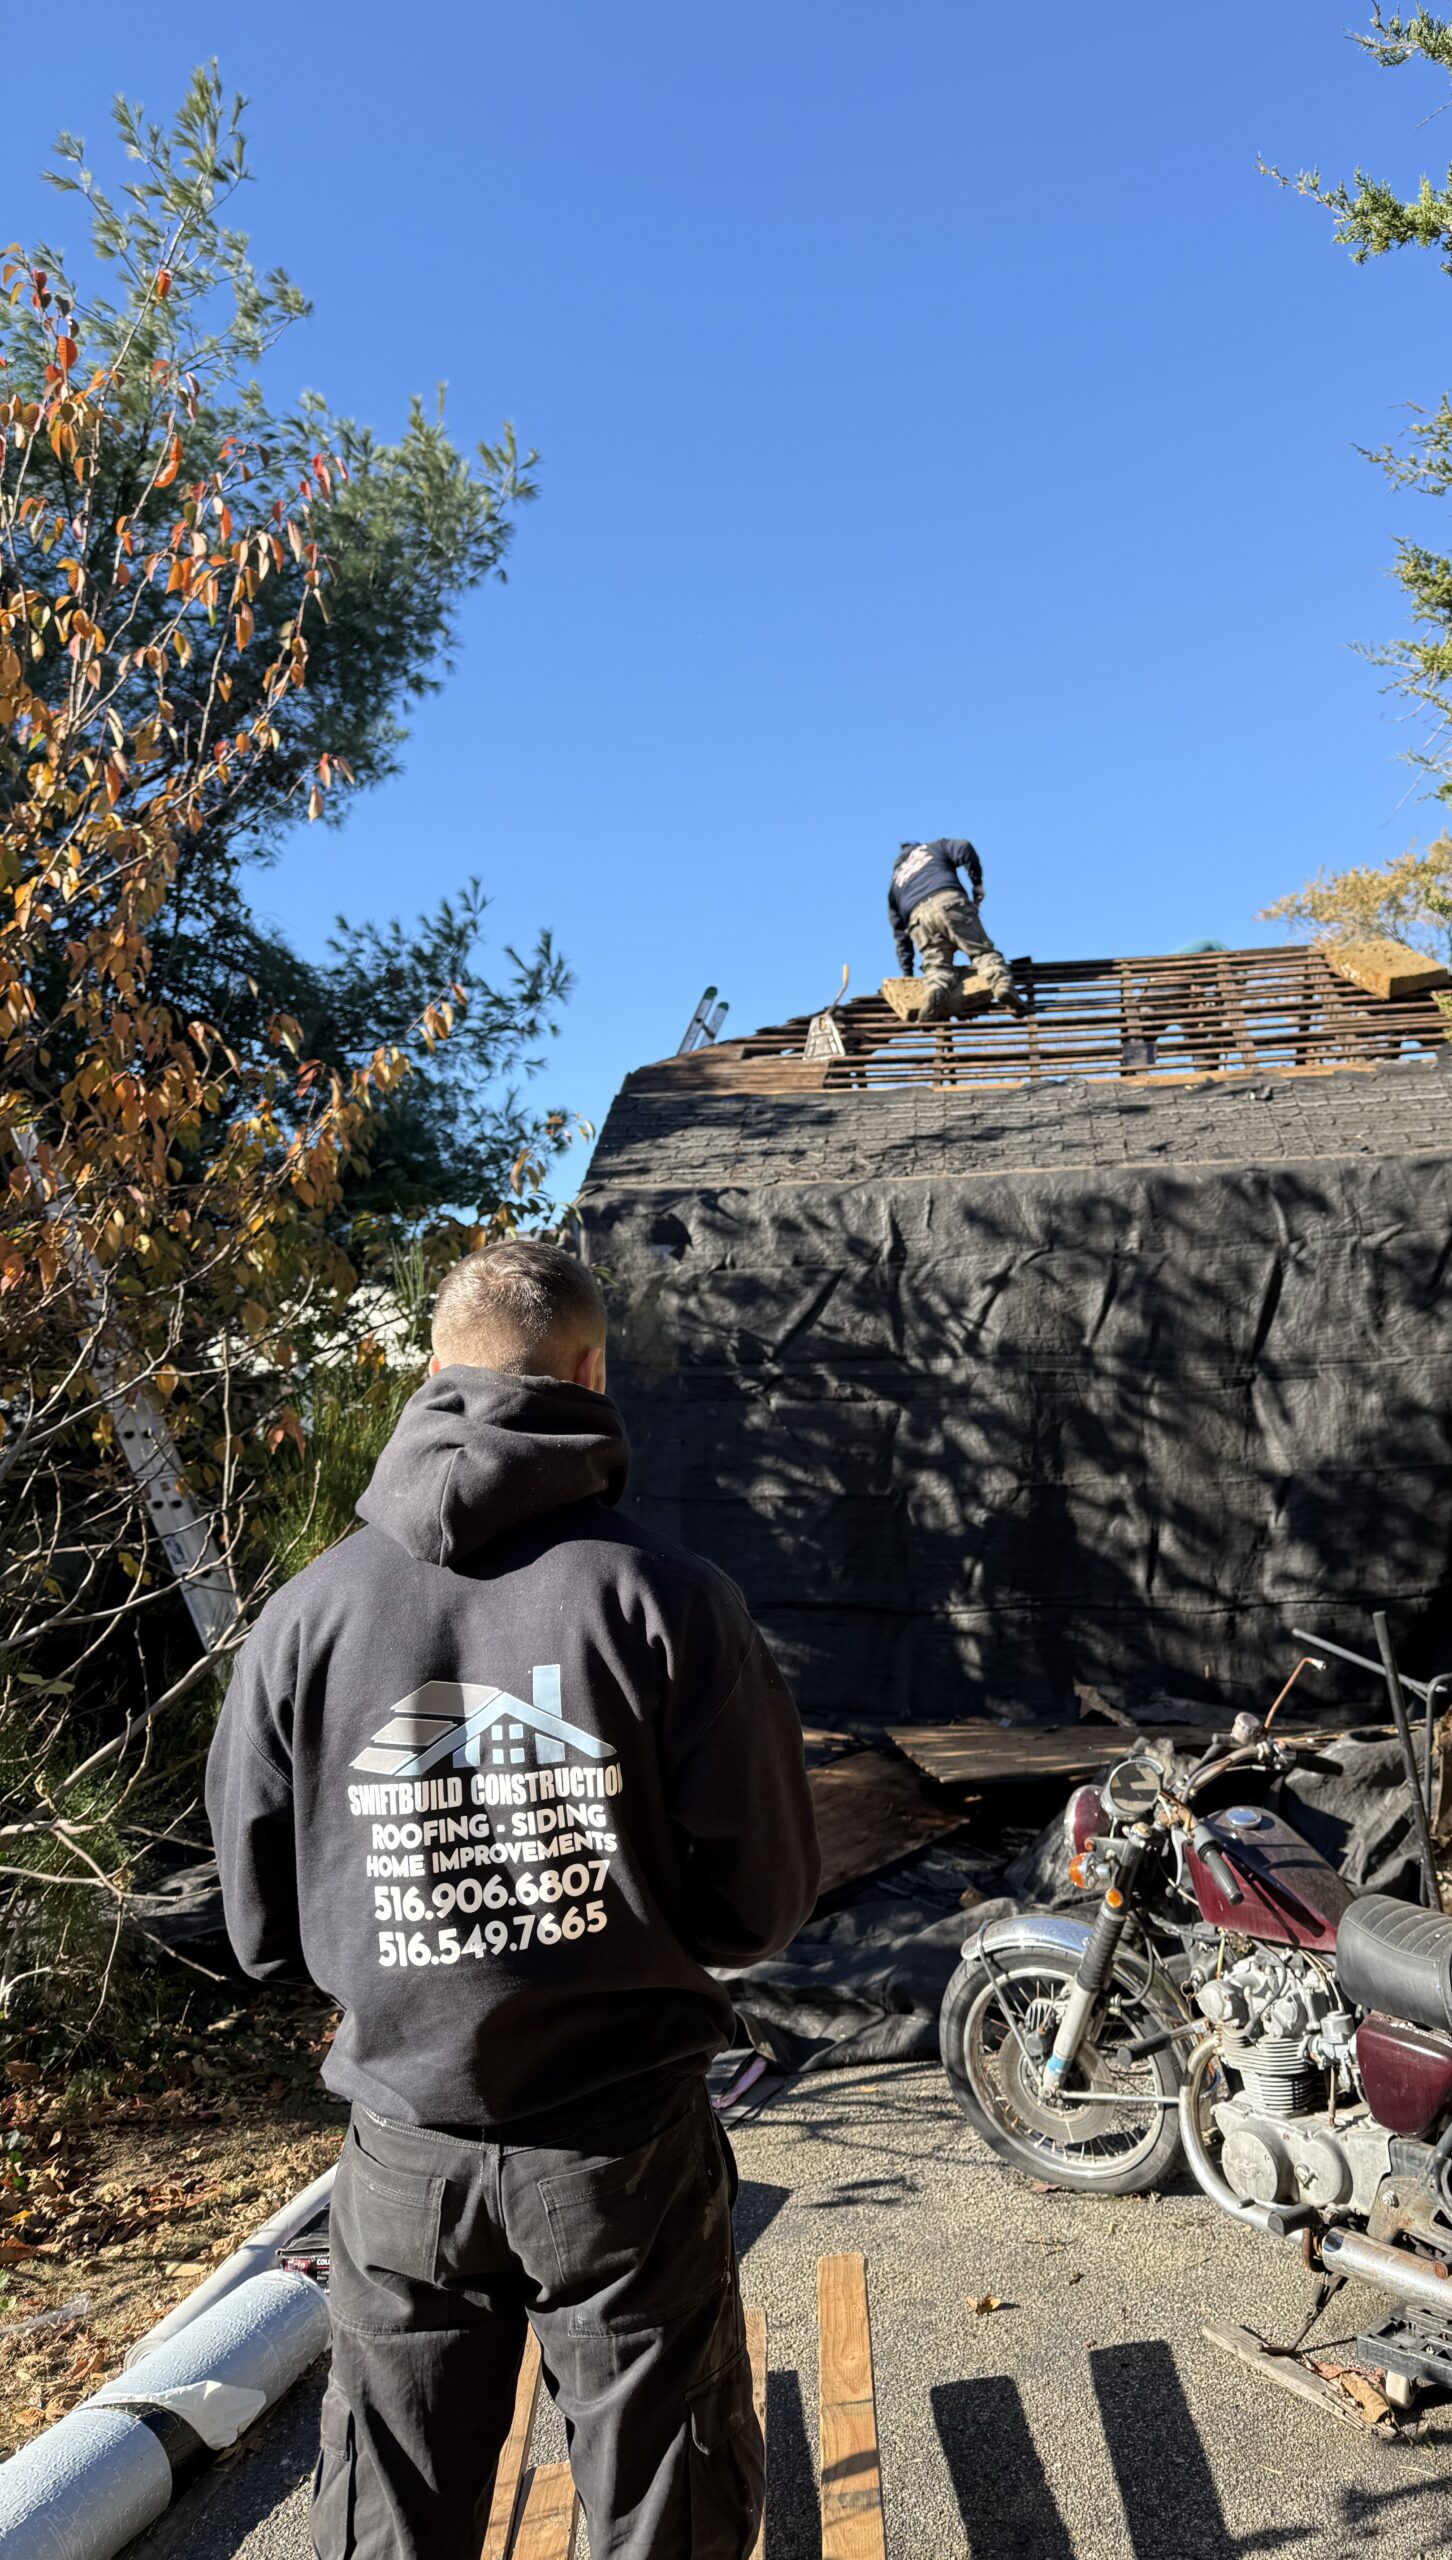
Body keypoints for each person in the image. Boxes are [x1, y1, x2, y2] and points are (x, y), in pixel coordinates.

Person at [207, 1238, 818, 2560]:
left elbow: (254, 1927)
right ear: (592, 1375)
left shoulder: (308, 1615)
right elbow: (759, 1906)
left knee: (388, 2504)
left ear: (432, 1375)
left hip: (401, 2148)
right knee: (667, 2499)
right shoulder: (668, 1602)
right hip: (620, 2152)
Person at [886, 836, 1016, 1005]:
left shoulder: (895, 885)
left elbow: (900, 935)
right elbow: (964, 847)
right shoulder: (933, 847)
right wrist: (976, 882)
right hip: (947, 901)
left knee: (937, 967)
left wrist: (907, 974)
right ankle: (1001, 984)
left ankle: (936, 988)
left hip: (917, 920)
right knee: (981, 951)